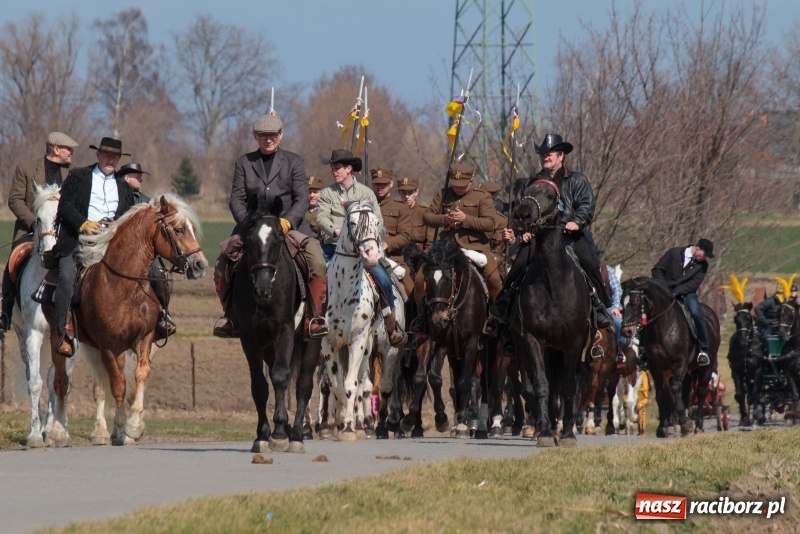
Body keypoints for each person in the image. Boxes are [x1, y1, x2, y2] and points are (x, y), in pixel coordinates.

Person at [213, 114, 329, 340]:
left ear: (281, 135)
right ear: (255, 136)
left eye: (273, 136)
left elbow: (302, 198)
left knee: (317, 261)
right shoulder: (243, 163)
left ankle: (313, 318)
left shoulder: (294, 161)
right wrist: (248, 223)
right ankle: (230, 317)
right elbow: (236, 199)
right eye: (264, 136)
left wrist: (288, 221)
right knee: (221, 264)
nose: (268, 140)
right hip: (252, 228)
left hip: (288, 226)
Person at [488, 133, 612, 331]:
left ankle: (600, 307)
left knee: (589, 262)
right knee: (519, 264)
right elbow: (522, 210)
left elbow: (586, 205)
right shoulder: (533, 183)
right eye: (543, 154)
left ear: (561, 156)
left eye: (550, 153)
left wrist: (577, 222)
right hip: (539, 238)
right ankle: (505, 304)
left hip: (569, 235)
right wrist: (523, 232)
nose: (546, 157)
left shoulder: (577, 180)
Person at [50, 137, 136, 356]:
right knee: (67, 276)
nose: (110, 159)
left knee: (149, 270)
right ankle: (63, 332)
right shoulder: (79, 176)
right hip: (79, 240)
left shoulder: (124, 187)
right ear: (98, 155)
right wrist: (83, 224)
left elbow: (129, 218)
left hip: (112, 243)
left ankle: (158, 319)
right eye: (106, 155)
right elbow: (65, 207)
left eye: (114, 156)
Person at [316, 149, 406, 346]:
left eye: (337, 168)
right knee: (317, 276)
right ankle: (315, 322)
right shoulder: (327, 193)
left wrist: (371, 238)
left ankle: (390, 324)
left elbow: (379, 222)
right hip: (334, 248)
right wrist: (336, 231)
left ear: (349, 169)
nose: (333, 171)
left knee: (383, 277)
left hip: (364, 251)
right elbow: (321, 217)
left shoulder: (367, 193)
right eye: (332, 168)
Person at [0, 132, 79, 335]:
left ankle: (78, 316)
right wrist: (35, 223)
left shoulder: (73, 175)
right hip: (31, 231)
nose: (72, 152)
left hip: (62, 235)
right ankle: (5, 312)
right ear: (56, 149)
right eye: (68, 149)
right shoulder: (25, 169)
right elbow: (15, 200)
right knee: (13, 263)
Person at [422, 162, 502, 303]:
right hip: (447, 249)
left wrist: (465, 219)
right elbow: (427, 216)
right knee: (419, 280)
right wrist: (445, 219)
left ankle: (495, 317)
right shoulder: (443, 194)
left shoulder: (482, 196)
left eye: (462, 184)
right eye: (455, 184)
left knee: (495, 282)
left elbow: (490, 223)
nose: (458, 188)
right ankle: (423, 315)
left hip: (476, 249)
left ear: (471, 180)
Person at [117, 162, 176, 339]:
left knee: (159, 274)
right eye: (137, 176)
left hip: (145, 253)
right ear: (127, 178)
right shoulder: (115, 197)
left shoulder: (147, 201)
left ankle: (163, 313)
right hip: (119, 250)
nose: (141, 179)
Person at [651, 238, 715, 366]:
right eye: (705, 254)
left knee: (696, 312)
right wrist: (664, 289)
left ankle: (703, 348)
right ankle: (643, 348)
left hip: (686, 293)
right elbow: (657, 270)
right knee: (647, 310)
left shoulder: (703, 266)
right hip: (665, 289)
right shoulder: (673, 253)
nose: (705, 258)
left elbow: (693, 284)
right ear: (697, 249)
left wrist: (676, 293)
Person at [370, 168, 413, 296]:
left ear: (391, 184)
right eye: (377, 184)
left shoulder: (401, 208)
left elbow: (405, 236)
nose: (380, 187)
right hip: (366, 257)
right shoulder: (365, 205)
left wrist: (386, 244)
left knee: (410, 290)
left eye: (384, 184)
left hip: (392, 258)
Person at [397, 176, 434, 253]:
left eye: (410, 193)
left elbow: (431, 242)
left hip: (418, 255)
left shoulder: (424, 213)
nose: (407, 196)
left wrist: (425, 258)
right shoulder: (395, 213)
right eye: (403, 193)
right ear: (399, 193)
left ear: (416, 192)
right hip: (399, 255)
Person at [304, 175, 326, 245]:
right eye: (309, 192)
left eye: (315, 192)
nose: (312, 195)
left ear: (321, 194)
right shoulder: (299, 209)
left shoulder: (326, 210)